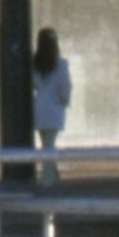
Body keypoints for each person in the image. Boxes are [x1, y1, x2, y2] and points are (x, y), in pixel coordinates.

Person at [25, 27, 74, 195]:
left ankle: (52, 174)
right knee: (50, 144)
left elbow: (31, 85)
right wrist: (65, 101)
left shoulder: (34, 63)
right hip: (54, 108)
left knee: (45, 143)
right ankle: (47, 177)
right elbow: (65, 88)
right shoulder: (60, 64)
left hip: (39, 107)